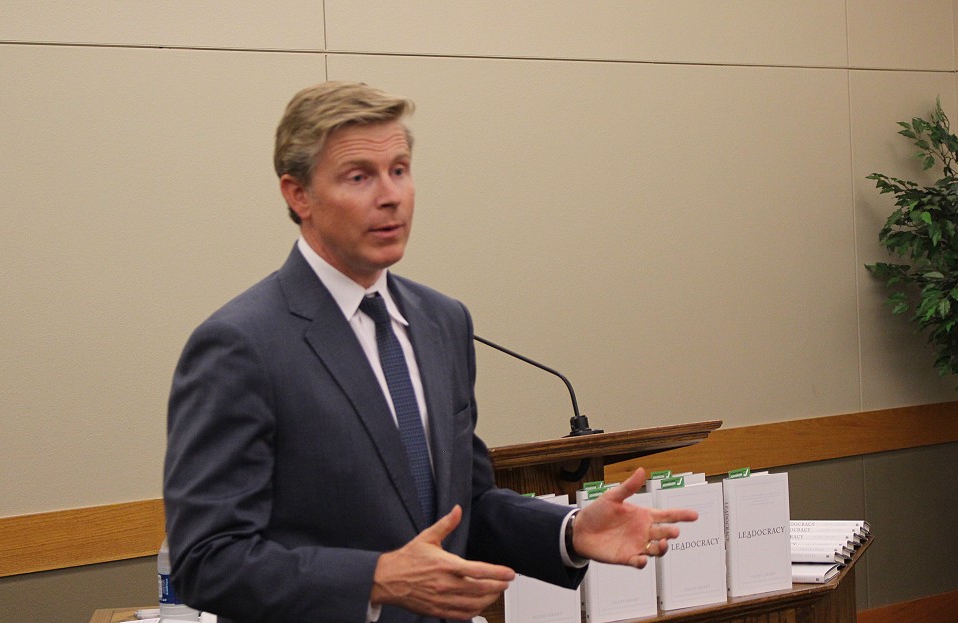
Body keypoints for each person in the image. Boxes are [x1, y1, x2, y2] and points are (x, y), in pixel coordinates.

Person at [163, 81, 698, 623]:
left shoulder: (442, 322)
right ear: (297, 195)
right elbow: (206, 559)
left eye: (399, 169)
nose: (390, 194)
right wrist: (374, 580)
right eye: (359, 177)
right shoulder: (241, 345)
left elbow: (467, 504)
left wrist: (568, 530)